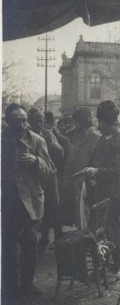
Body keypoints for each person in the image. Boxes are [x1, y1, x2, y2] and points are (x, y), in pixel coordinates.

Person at [1, 104, 55, 301]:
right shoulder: (2, 140)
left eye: (24, 120)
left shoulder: (37, 140)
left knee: (29, 245)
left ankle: (27, 284)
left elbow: (50, 170)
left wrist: (35, 161)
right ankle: (10, 286)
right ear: (7, 121)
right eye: (17, 120)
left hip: (29, 202)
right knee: (7, 246)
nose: (22, 124)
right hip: (7, 201)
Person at [83, 101, 120, 281]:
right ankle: (103, 267)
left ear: (108, 122)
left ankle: (114, 269)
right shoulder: (104, 139)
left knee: (114, 231)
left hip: (115, 194)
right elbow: (98, 160)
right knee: (101, 232)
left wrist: (97, 172)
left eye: (100, 122)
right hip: (102, 193)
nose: (98, 126)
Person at [27, 107, 65, 251]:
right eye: (35, 121)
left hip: (50, 177)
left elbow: (60, 152)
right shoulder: (26, 136)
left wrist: (50, 142)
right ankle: (42, 239)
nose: (39, 125)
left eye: (41, 121)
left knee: (53, 207)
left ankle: (58, 238)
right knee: (39, 210)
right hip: (34, 179)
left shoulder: (48, 135)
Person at [61, 106, 101, 228]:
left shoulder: (94, 136)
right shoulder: (79, 135)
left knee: (87, 218)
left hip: (87, 183)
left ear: (79, 121)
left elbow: (91, 161)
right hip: (77, 182)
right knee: (81, 217)